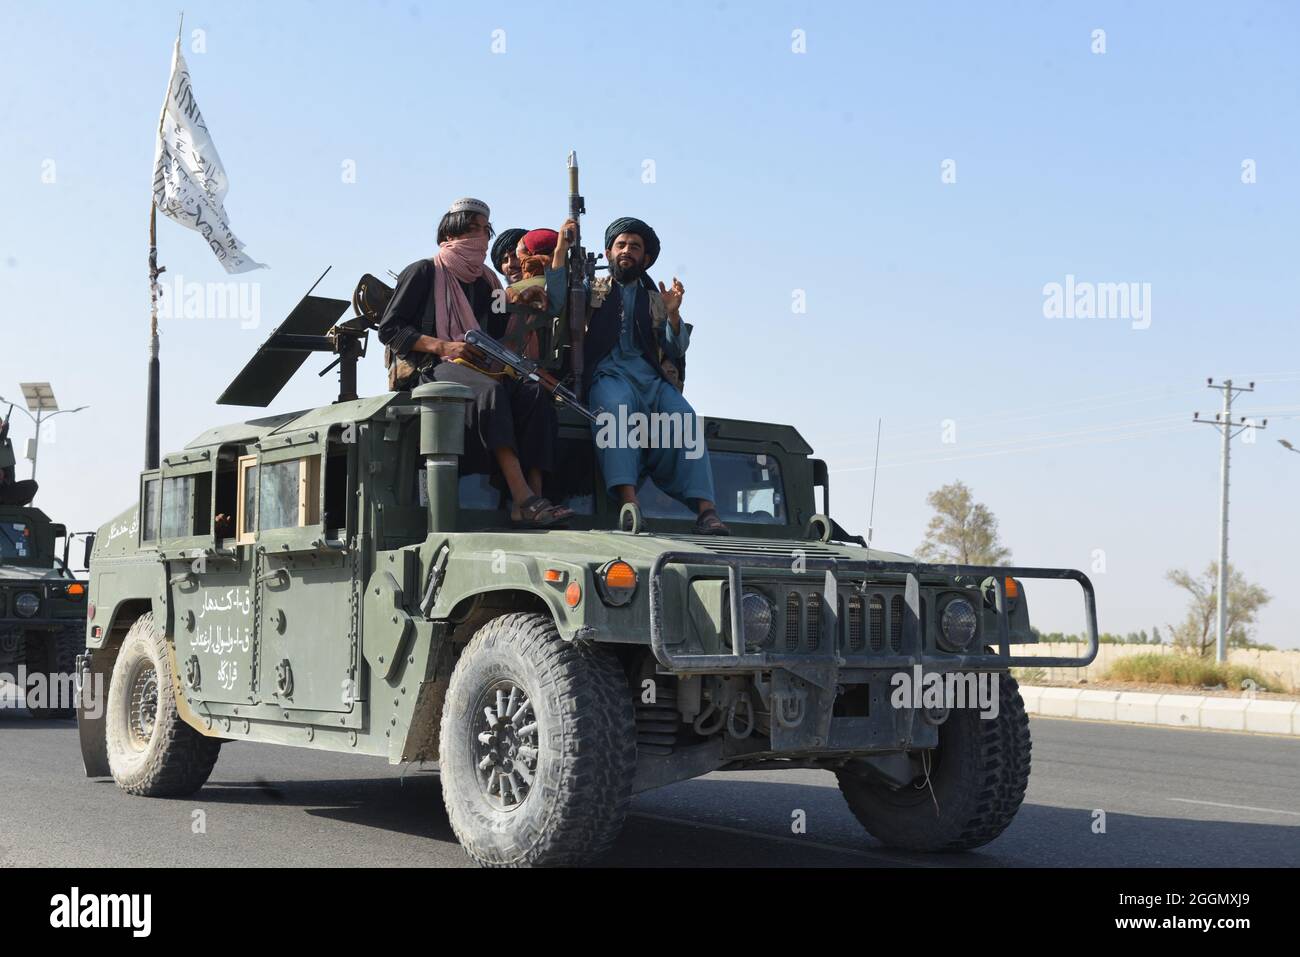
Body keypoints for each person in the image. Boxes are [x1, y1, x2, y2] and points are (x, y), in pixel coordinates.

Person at [376, 198, 573, 527]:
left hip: (481, 366)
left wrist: (523, 303)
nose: (481, 237)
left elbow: (497, 334)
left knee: (534, 394)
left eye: (485, 230)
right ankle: (523, 497)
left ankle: (536, 498)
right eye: (472, 229)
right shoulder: (424, 271)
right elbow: (391, 329)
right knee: (490, 393)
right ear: (451, 232)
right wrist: (443, 346)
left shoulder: (488, 282)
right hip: (431, 369)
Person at [549, 216, 728, 534]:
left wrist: (672, 315)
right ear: (608, 254)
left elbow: (676, 349)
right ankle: (630, 504)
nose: (626, 251)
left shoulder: (656, 300)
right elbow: (556, 300)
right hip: (609, 374)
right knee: (614, 413)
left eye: (634, 246)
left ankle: (706, 511)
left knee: (684, 418)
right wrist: (563, 248)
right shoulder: (591, 288)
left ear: (645, 258)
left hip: (651, 379)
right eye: (620, 245)